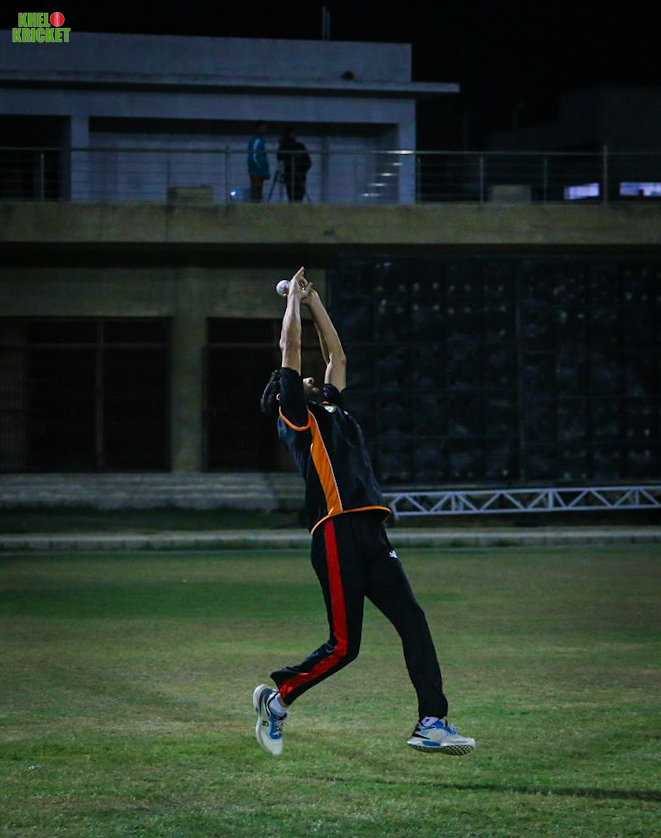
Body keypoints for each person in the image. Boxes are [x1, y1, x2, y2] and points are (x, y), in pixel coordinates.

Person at [253, 267, 476, 758]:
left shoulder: (332, 407)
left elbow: (338, 356)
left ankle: (431, 722)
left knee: (413, 621)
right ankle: (278, 698)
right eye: (298, 379)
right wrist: (290, 304)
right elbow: (290, 348)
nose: (311, 376)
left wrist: (313, 300)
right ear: (285, 395)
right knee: (343, 646)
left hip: (371, 530)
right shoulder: (297, 418)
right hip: (334, 533)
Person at [276, 127, 311, 202]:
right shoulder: (285, 146)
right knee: (291, 196)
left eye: (293, 134)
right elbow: (279, 157)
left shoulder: (300, 146)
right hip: (289, 175)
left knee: (299, 196)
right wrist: (282, 144)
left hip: (300, 175)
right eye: (290, 134)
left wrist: (302, 171)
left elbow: (308, 162)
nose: (292, 136)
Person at [247, 121, 270, 202]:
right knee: (256, 192)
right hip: (256, 171)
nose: (264, 130)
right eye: (263, 128)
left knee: (258, 193)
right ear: (257, 129)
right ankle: (254, 207)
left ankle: (256, 205)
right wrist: (260, 169)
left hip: (259, 171)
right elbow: (254, 156)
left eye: (265, 128)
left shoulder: (260, 141)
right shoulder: (256, 141)